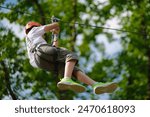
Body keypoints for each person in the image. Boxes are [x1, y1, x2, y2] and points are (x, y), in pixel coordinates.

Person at [25, 21, 118, 94]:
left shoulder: (31, 41)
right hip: (40, 51)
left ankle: (94, 84)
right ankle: (67, 79)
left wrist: (56, 34)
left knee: (71, 68)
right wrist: (55, 23)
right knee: (69, 55)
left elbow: (54, 49)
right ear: (35, 26)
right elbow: (55, 24)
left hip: (40, 62)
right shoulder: (33, 31)